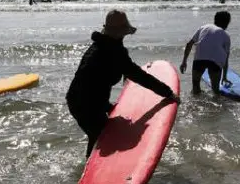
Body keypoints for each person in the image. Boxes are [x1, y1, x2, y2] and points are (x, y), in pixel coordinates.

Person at [66, 10, 181, 158]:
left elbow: (95, 79)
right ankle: (92, 175)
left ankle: (88, 168)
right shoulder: (114, 51)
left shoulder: (100, 46)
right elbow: (139, 76)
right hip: (85, 104)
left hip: (83, 99)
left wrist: (107, 106)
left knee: (99, 138)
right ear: (120, 32)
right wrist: (168, 93)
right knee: (100, 139)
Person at [179, 11, 232, 95]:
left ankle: (196, 104)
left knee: (195, 88)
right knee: (215, 90)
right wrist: (224, 77)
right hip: (215, 61)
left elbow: (189, 44)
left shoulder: (204, 27)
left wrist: (184, 62)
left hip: (200, 58)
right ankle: (217, 106)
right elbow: (225, 58)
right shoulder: (226, 35)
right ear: (226, 23)